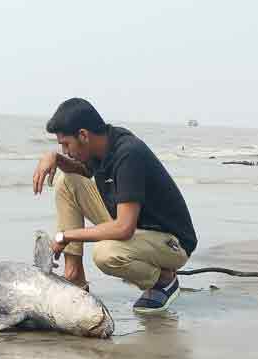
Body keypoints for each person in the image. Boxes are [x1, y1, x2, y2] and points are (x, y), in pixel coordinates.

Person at [32, 98, 197, 313]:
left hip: (170, 242)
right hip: (135, 226)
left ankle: (164, 280)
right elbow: (84, 171)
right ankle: (75, 277)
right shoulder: (103, 144)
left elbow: (123, 228)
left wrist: (66, 236)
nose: (65, 151)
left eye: (65, 144)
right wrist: (53, 158)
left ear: (83, 135)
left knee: (106, 254)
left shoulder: (128, 154)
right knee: (67, 181)